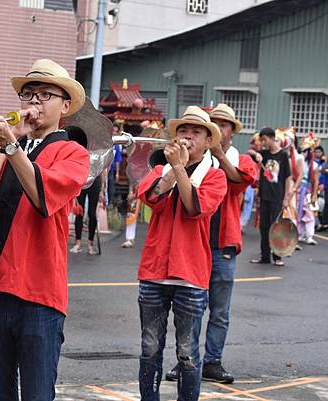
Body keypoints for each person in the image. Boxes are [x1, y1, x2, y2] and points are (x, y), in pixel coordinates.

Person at [0, 59, 89, 401]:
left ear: (66, 106)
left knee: (37, 395)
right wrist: (13, 141)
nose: (33, 102)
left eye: (45, 95)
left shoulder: (72, 152)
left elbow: (44, 197)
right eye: (28, 94)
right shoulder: (7, 145)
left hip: (39, 297)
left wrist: (13, 148)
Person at [136, 106, 227, 401]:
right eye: (183, 131)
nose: (188, 136)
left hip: (191, 274)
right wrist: (173, 169)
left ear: (208, 141)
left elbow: (193, 208)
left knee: (187, 352)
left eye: (196, 132)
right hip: (153, 272)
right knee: (150, 348)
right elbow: (151, 199)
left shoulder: (215, 177)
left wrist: (178, 169)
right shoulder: (159, 170)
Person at [164, 104, 257, 385]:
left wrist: (217, 154)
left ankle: (213, 361)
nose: (219, 129)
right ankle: (187, 360)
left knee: (218, 310)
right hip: (193, 244)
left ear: (230, 131)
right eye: (214, 124)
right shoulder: (190, 158)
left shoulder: (241, 159)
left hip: (222, 244)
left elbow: (240, 184)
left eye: (224, 125)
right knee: (190, 309)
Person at [248, 127, 292, 266]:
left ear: (273, 138)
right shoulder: (264, 154)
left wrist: (286, 198)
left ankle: (277, 257)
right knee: (264, 227)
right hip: (264, 196)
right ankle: (265, 256)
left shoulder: (283, 156)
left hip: (277, 197)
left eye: (264, 139)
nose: (263, 142)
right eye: (261, 140)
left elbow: (287, 178)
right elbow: (249, 151)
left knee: (276, 228)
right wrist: (256, 155)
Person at [70, 175, 102, 254]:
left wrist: (103, 188)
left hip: (95, 181)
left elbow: (103, 169)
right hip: (82, 180)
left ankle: (90, 243)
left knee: (92, 214)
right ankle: (78, 243)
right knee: (79, 212)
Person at [296, 134, 319, 245]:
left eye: (307, 151)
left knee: (309, 214)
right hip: (298, 190)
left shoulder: (314, 165)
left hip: (308, 191)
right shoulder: (298, 161)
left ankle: (309, 235)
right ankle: (299, 234)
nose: (304, 153)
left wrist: (314, 194)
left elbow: (316, 181)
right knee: (298, 213)